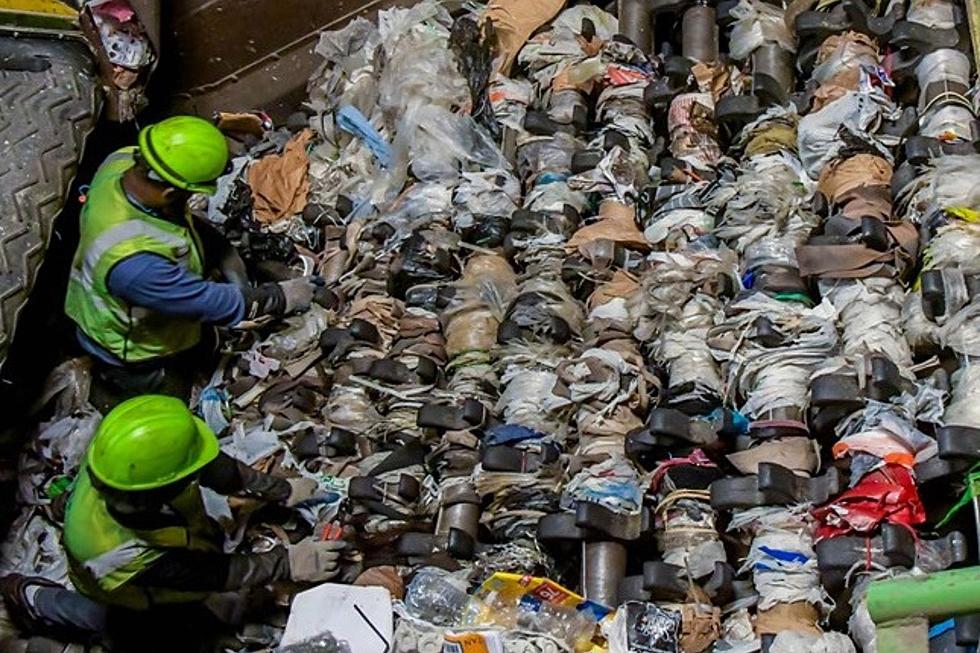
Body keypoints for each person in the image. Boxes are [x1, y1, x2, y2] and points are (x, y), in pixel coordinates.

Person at [0, 395, 351, 650]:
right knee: (132, 629)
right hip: (130, 594)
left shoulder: (131, 461)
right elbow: (206, 574)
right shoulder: (113, 547)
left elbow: (216, 468)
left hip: (171, 548)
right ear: (157, 492)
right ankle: (31, 598)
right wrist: (287, 562)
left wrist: (280, 489)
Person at [64, 115, 320, 408]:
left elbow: (176, 221)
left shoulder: (122, 162)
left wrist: (223, 250)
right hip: (133, 350)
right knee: (167, 402)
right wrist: (282, 296)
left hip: (121, 305)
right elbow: (212, 303)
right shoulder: (134, 264)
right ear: (171, 192)